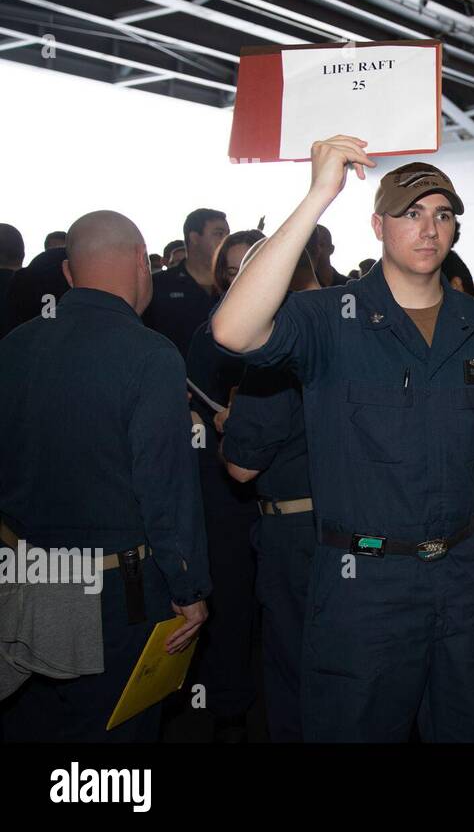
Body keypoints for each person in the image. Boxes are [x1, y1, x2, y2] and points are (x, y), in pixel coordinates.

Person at [212, 141, 474, 741]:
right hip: (363, 586)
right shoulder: (329, 319)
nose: (429, 228)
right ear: (377, 225)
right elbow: (233, 331)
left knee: (467, 732)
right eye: (411, 213)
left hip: (462, 577)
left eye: (442, 214)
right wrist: (318, 195)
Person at [0, 210, 210, 741]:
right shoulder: (149, 354)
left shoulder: (14, 347)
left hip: (21, 579)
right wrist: (188, 586)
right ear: (142, 261)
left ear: (70, 274)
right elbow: (163, 488)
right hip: (113, 594)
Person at [221, 241, 321, 741]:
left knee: (293, 667)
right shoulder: (359, 327)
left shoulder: (275, 354)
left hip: (296, 534)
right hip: (367, 528)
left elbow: (241, 468)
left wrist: (231, 424)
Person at [186, 229, 267, 742]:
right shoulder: (206, 334)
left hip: (292, 494)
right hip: (226, 490)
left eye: (251, 266)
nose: (240, 278)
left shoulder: (303, 326)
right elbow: (196, 409)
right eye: (232, 270)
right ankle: (229, 707)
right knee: (233, 602)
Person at [144, 208, 229, 357]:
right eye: (219, 234)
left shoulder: (235, 285)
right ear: (194, 238)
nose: (226, 240)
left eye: (228, 234)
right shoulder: (158, 286)